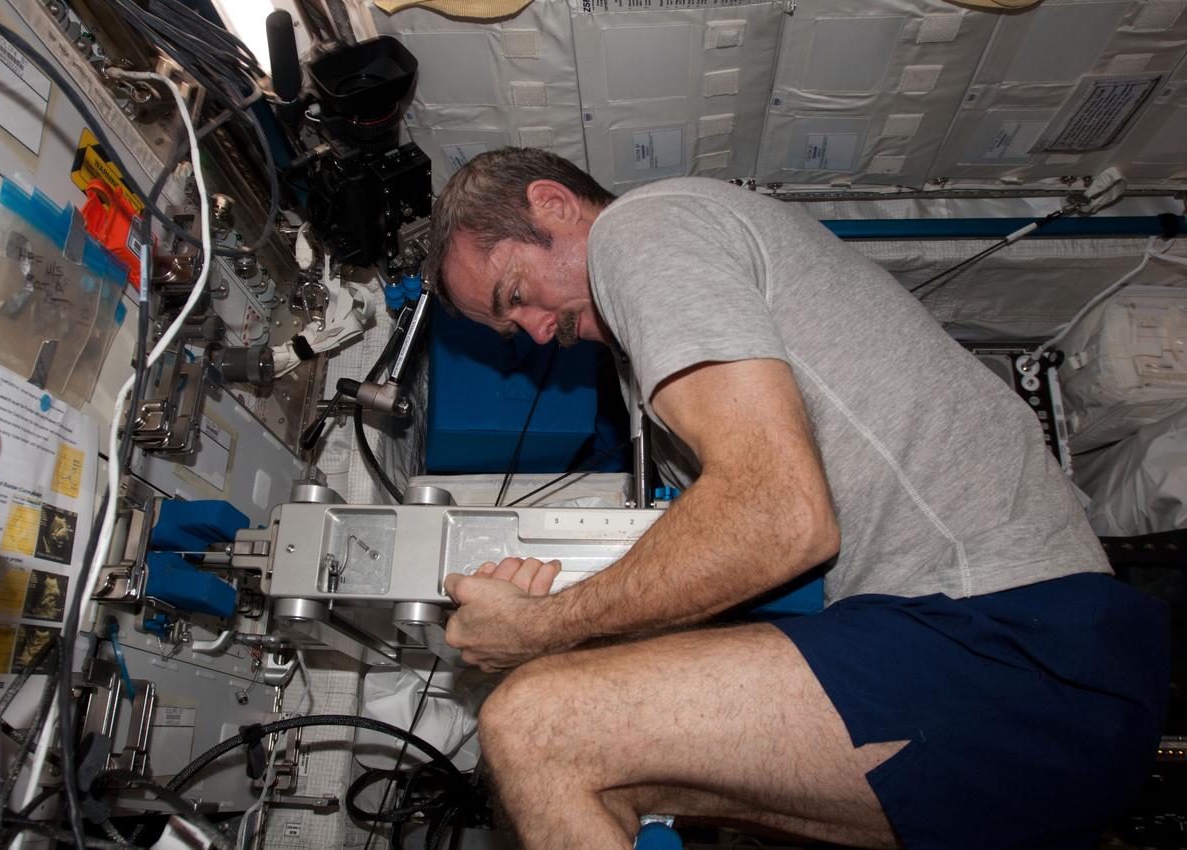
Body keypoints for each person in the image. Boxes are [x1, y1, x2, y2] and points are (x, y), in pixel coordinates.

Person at [425, 148, 1170, 850]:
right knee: (606, 766)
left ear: (553, 205)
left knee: (533, 722)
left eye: (515, 294)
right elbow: (754, 557)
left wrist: (541, 630)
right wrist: (574, 634)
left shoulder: (641, 229)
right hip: (996, 675)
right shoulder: (653, 366)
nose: (535, 331)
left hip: (1018, 643)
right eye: (509, 326)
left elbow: (778, 520)